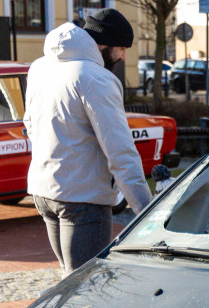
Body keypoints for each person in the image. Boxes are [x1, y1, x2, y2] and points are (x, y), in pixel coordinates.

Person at [24, 8, 151, 276]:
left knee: (67, 283)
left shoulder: (40, 67)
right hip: (83, 200)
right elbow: (120, 151)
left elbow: (30, 125)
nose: (123, 55)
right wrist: (146, 211)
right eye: (121, 48)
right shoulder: (96, 78)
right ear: (103, 45)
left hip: (44, 191)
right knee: (85, 290)